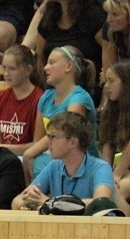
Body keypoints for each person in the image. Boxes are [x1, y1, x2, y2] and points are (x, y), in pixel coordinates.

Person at [23, 45, 99, 179]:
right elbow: (37, 141)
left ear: (68, 66)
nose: (45, 68)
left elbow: (65, 137)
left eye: (52, 63)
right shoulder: (46, 97)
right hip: (53, 156)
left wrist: (28, 154)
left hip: (78, 163)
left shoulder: (79, 99)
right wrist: (30, 155)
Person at [12, 111, 115, 208]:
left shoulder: (100, 168)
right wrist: (29, 202)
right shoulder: (54, 166)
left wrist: (51, 203)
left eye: (53, 136)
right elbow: (17, 202)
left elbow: (101, 203)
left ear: (72, 141)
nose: (48, 142)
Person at [0, 45, 45, 158]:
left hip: (28, 158)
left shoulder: (40, 99)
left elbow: (38, 145)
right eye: (4, 68)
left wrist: (2, 149)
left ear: (28, 70)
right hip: (2, 157)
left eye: (12, 69)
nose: (6, 73)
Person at [23, 0, 107, 75]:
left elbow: (109, 50)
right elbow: (40, 60)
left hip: (87, 83)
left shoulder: (93, 15)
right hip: (53, 84)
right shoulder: (49, 16)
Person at [101, 61, 130, 208]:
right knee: (104, 187)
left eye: (111, 81)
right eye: (106, 81)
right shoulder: (111, 109)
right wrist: (106, 173)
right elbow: (107, 142)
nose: (106, 86)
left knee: (117, 192)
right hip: (123, 169)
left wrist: (117, 173)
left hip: (125, 168)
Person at [98, 0, 130, 79]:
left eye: (115, 14)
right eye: (108, 13)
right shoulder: (109, 29)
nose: (109, 20)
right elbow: (108, 69)